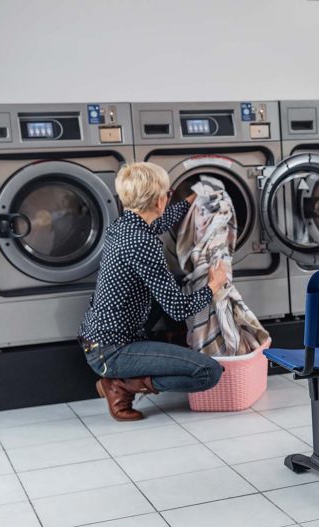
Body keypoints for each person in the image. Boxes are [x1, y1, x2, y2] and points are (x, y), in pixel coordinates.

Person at [78, 162, 228, 421]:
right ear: (160, 201)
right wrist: (213, 287)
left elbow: (160, 222)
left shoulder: (124, 225)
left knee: (175, 285)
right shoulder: (144, 245)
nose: (168, 201)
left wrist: (190, 199)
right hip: (113, 350)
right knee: (209, 372)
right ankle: (119, 384)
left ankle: (168, 353)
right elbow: (177, 309)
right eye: (168, 195)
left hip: (98, 337)